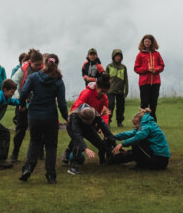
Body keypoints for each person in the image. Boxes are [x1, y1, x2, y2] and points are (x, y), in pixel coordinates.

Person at [19, 54, 68, 184]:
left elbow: (23, 93)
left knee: (34, 142)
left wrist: (23, 105)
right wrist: (66, 117)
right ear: (57, 64)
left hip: (34, 116)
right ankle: (51, 175)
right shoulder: (58, 81)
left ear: (44, 63)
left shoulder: (34, 77)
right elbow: (62, 104)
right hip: (50, 117)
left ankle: (27, 168)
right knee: (51, 145)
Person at [63, 75, 115, 174]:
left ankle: (105, 157)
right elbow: (76, 107)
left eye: (105, 92)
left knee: (101, 143)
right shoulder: (86, 93)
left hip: (91, 121)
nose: (103, 94)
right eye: (101, 91)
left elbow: (104, 115)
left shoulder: (104, 98)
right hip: (78, 119)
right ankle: (74, 166)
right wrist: (86, 149)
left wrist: (114, 143)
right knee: (77, 142)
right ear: (97, 87)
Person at [9, 50, 42, 163]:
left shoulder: (43, 69)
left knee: (38, 128)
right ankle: (15, 153)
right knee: (21, 129)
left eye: (39, 65)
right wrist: (19, 99)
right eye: (36, 65)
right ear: (30, 62)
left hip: (37, 103)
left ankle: (40, 153)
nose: (38, 67)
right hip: (23, 102)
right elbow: (13, 81)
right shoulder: (23, 69)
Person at [134, 34, 164, 122]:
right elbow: (136, 68)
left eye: (149, 42)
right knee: (144, 103)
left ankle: (153, 121)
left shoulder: (157, 54)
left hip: (155, 82)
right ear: (143, 42)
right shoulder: (140, 55)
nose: (147, 43)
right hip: (144, 82)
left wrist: (156, 69)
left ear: (152, 43)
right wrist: (147, 69)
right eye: (145, 41)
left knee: (153, 103)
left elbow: (162, 65)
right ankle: (142, 121)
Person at [106, 49, 129, 127]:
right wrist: (105, 89)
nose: (118, 57)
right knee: (110, 105)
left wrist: (126, 91)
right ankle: (108, 121)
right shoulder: (109, 66)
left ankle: (119, 122)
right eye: (116, 56)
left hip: (120, 90)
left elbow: (126, 79)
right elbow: (105, 78)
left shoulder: (123, 67)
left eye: (119, 56)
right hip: (110, 90)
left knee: (121, 107)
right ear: (113, 57)